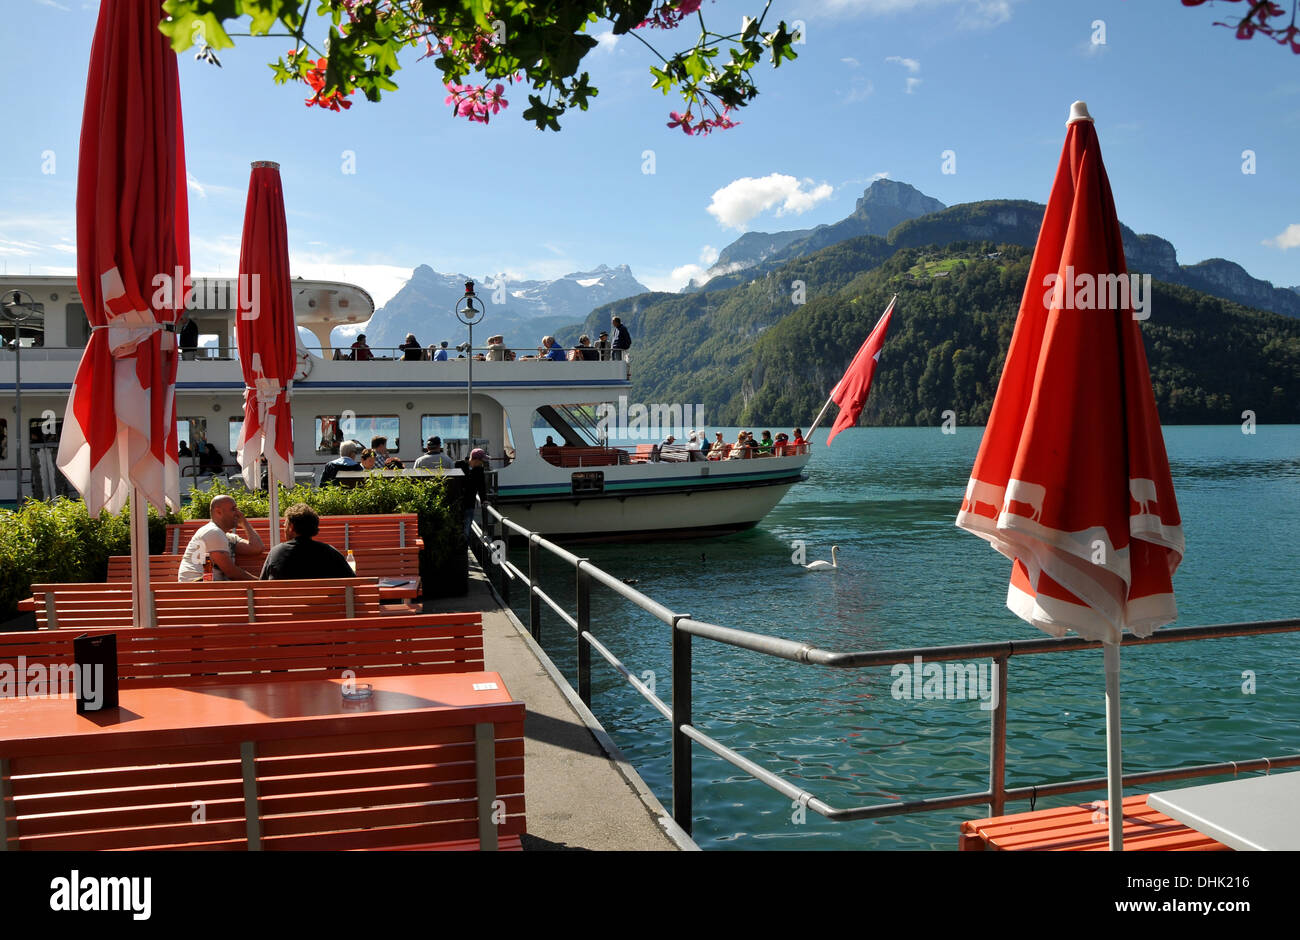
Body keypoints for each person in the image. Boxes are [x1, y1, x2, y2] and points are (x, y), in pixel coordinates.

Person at [177, 494, 266, 582]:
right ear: (218, 512)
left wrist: (244, 523)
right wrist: (259, 583)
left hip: (209, 585)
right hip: (197, 585)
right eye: (233, 509)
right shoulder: (213, 532)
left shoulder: (227, 537)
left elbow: (257, 548)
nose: (238, 513)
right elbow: (231, 572)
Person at [260, 503, 355, 580]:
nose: (284, 528)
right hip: (320, 603)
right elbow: (352, 582)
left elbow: (262, 586)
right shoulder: (330, 552)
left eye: (285, 525)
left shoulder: (276, 553)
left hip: (284, 603)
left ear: (291, 527)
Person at [454, 447, 488, 540]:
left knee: (466, 530)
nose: (482, 463)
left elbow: (482, 486)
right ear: (476, 459)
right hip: (457, 502)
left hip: (469, 503)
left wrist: (484, 500)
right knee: (456, 527)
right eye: (482, 460)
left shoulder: (480, 470)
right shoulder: (458, 465)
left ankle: (464, 549)